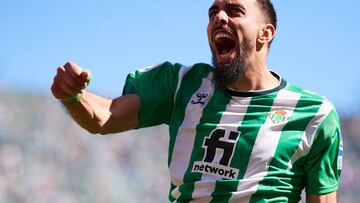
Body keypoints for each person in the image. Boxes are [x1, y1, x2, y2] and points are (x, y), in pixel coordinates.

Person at [51, 0, 343, 202]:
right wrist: (74, 95)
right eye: (213, 11)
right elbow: (105, 117)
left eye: (234, 10)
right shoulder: (181, 84)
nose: (219, 16)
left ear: (265, 34)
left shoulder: (315, 114)